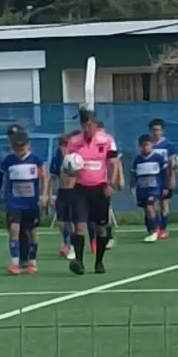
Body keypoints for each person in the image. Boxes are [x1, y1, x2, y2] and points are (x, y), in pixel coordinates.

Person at [64, 109, 120, 276]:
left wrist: (111, 184)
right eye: (84, 125)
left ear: (95, 125)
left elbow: (113, 163)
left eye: (90, 125)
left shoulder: (106, 140)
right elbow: (68, 165)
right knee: (79, 227)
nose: (87, 128)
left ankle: (99, 261)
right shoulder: (74, 142)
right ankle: (79, 262)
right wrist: (69, 177)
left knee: (101, 229)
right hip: (80, 189)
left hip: (100, 189)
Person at [0, 130, 45, 274]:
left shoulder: (36, 160)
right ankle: (14, 263)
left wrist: (44, 195)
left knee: (32, 232)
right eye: (16, 148)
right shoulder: (8, 161)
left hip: (31, 203)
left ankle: (32, 261)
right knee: (14, 229)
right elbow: (0, 176)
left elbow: (44, 177)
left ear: (28, 145)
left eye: (22, 148)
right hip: (14, 203)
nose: (19, 151)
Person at [130, 134, 168, 243]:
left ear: (151, 145)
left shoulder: (158, 158)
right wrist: (132, 187)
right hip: (142, 189)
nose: (145, 147)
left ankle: (155, 231)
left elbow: (164, 173)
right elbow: (133, 175)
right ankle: (155, 227)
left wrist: (165, 186)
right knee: (147, 210)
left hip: (154, 188)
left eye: (147, 145)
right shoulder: (137, 160)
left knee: (150, 205)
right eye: (143, 145)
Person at [47, 133, 76, 258]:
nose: (64, 148)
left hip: (74, 192)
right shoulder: (57, 158)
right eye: (62, 145)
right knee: (62, 223)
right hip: (62, 192)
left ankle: (73, 247)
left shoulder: (75, 158)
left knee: (73, 221)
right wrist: (49, 194)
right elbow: (52, 178)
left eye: (66, 145)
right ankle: (66, 243)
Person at [149, 118, 176, 239]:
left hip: (164, 178)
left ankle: (163, 229)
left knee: (164, 204)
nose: (156, 132)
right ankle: (155, 229)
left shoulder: (169, 145)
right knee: (151, 205)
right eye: (154, 130)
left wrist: (172, 179)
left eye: (158, 130)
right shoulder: (148, 145)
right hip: (152, 179)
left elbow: (172, 163)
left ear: (162, 131)